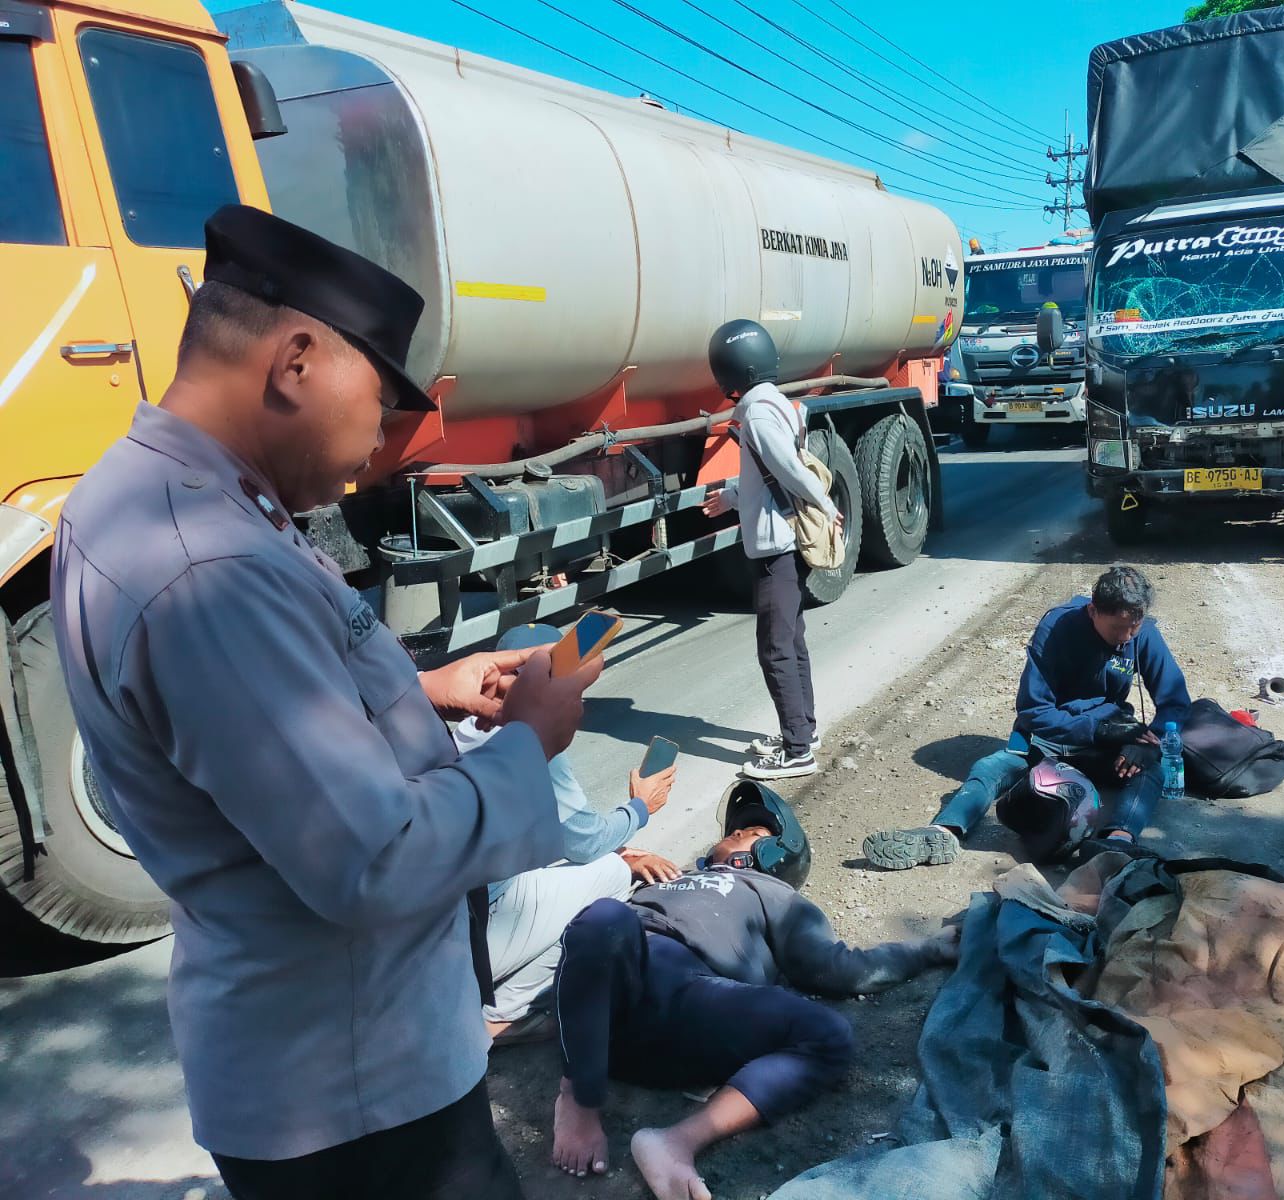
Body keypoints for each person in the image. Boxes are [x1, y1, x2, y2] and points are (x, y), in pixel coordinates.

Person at [51, 205, 602, 1200]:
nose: (385, 438)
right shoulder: (205, 564)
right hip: (356, 1095)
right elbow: (375, 859)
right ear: (297, 362)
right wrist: (531, 741)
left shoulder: (163, 496)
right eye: (383, 399)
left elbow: (250, 720)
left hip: (334, 1061)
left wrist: (426, 691)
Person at [549, 782, 959, 1199]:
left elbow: (842, 968)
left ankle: (676, 1142)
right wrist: (627, 860)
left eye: (754, 832)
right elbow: (583, 939)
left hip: (688, 1001)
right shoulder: (667, 877)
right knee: (603, 917)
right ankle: (579, 1100)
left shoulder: (774, 893)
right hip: (607, 999)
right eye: (737, 829)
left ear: (777, 856)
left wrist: (928, 949)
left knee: (828, 1033)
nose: (738, 832)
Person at [863, 565, 1191, 869]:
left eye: (1134, 627)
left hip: (1106, 739)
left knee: (1151, 769)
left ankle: (1117, 841)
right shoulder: (1057, 627)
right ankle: (942, 832)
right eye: (1118, 628)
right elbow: (1034, 711)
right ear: (1093, 611)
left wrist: (1150, 743)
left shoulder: (1143, 633)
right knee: (991, 767)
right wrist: (1096, 730)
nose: (1127, 637)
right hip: (1052, 739)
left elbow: (1175, 701)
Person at [455, 626, 680, 1044]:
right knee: (613, 875)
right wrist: (640, 807)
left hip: (446, 923)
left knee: (605, 860)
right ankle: (501, 1016)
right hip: (476, 937)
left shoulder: (466, 725)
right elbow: (584, 842)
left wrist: (621, 845)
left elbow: (547, 835)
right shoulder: (528, 738)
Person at [700, 319, 843, 781]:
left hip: (776, 547)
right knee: (792, 640)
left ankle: (797, 750)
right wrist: (731, 498)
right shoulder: (776, 404)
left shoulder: (757, 416)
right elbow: (766, 477)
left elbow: (790, 473)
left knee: (776, 649)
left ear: (731, 373)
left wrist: (827, 506)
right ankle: (805, 731)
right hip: (785, 539)